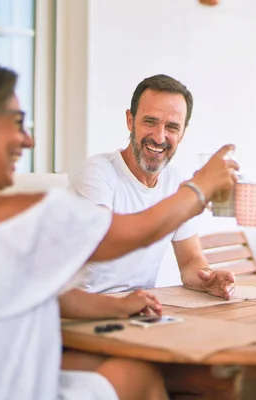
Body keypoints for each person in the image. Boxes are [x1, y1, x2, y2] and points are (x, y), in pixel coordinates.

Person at [0, 54, 238, 400]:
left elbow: (44, 292)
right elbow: (129, 234)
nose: (28, 141)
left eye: (172, 126)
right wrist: (201, 187)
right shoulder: (26, 217)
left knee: (153, 374)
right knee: (164, 380)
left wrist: (119, 305)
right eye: (17, 123)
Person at [61, 74, 235, 320]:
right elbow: (105, 241)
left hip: (139, 312)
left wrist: (207, 278)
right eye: (150, 122)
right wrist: (195, 192)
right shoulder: (98, 172)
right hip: (84, 314)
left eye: (172, 127)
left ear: (183, 133)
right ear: (130, 121)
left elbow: (190, 261)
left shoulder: (175, 181)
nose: (159, 137)